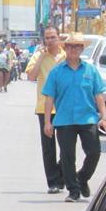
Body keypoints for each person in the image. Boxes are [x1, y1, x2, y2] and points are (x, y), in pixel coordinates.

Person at [42, 33, 106, 203]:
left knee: (94, 152)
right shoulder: (56, 72)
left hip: (87, 119)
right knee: (67, 157)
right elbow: (49, 98)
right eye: (70, 46)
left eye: (77, 46)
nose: (73, 49)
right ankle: (73, 190)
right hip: (64, 120)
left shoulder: (90, 70)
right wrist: (47, 122)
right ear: (65, 48)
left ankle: (82, 177)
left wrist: (104, 117)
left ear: (82, 49)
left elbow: (99, 95)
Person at [26, 27, 66, 193]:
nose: (50, 40)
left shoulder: (66, 55)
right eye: (47, 38)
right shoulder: (38, 56)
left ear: (59, 38)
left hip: (64, 105)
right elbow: (31, 77)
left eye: (53, 37)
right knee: (48, 147)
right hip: (45, 107)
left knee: (66, 146)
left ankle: (62, 174)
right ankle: (53, 182)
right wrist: (42, 56)